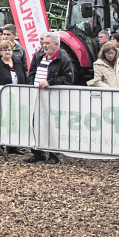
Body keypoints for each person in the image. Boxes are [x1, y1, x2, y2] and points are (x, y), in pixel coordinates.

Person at [24, 32, 75, 164]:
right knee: (34, 124)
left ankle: (54, 155)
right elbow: (32, 72)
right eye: (43, 43)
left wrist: (50, 83)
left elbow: (68, 78)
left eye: (47, 43)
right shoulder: (39, 56)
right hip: (37, 96)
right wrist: (32, 85)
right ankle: (37, 153)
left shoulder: (64, 60)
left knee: (52, 126)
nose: (44, 46)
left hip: (53, 98)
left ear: (56, 44)